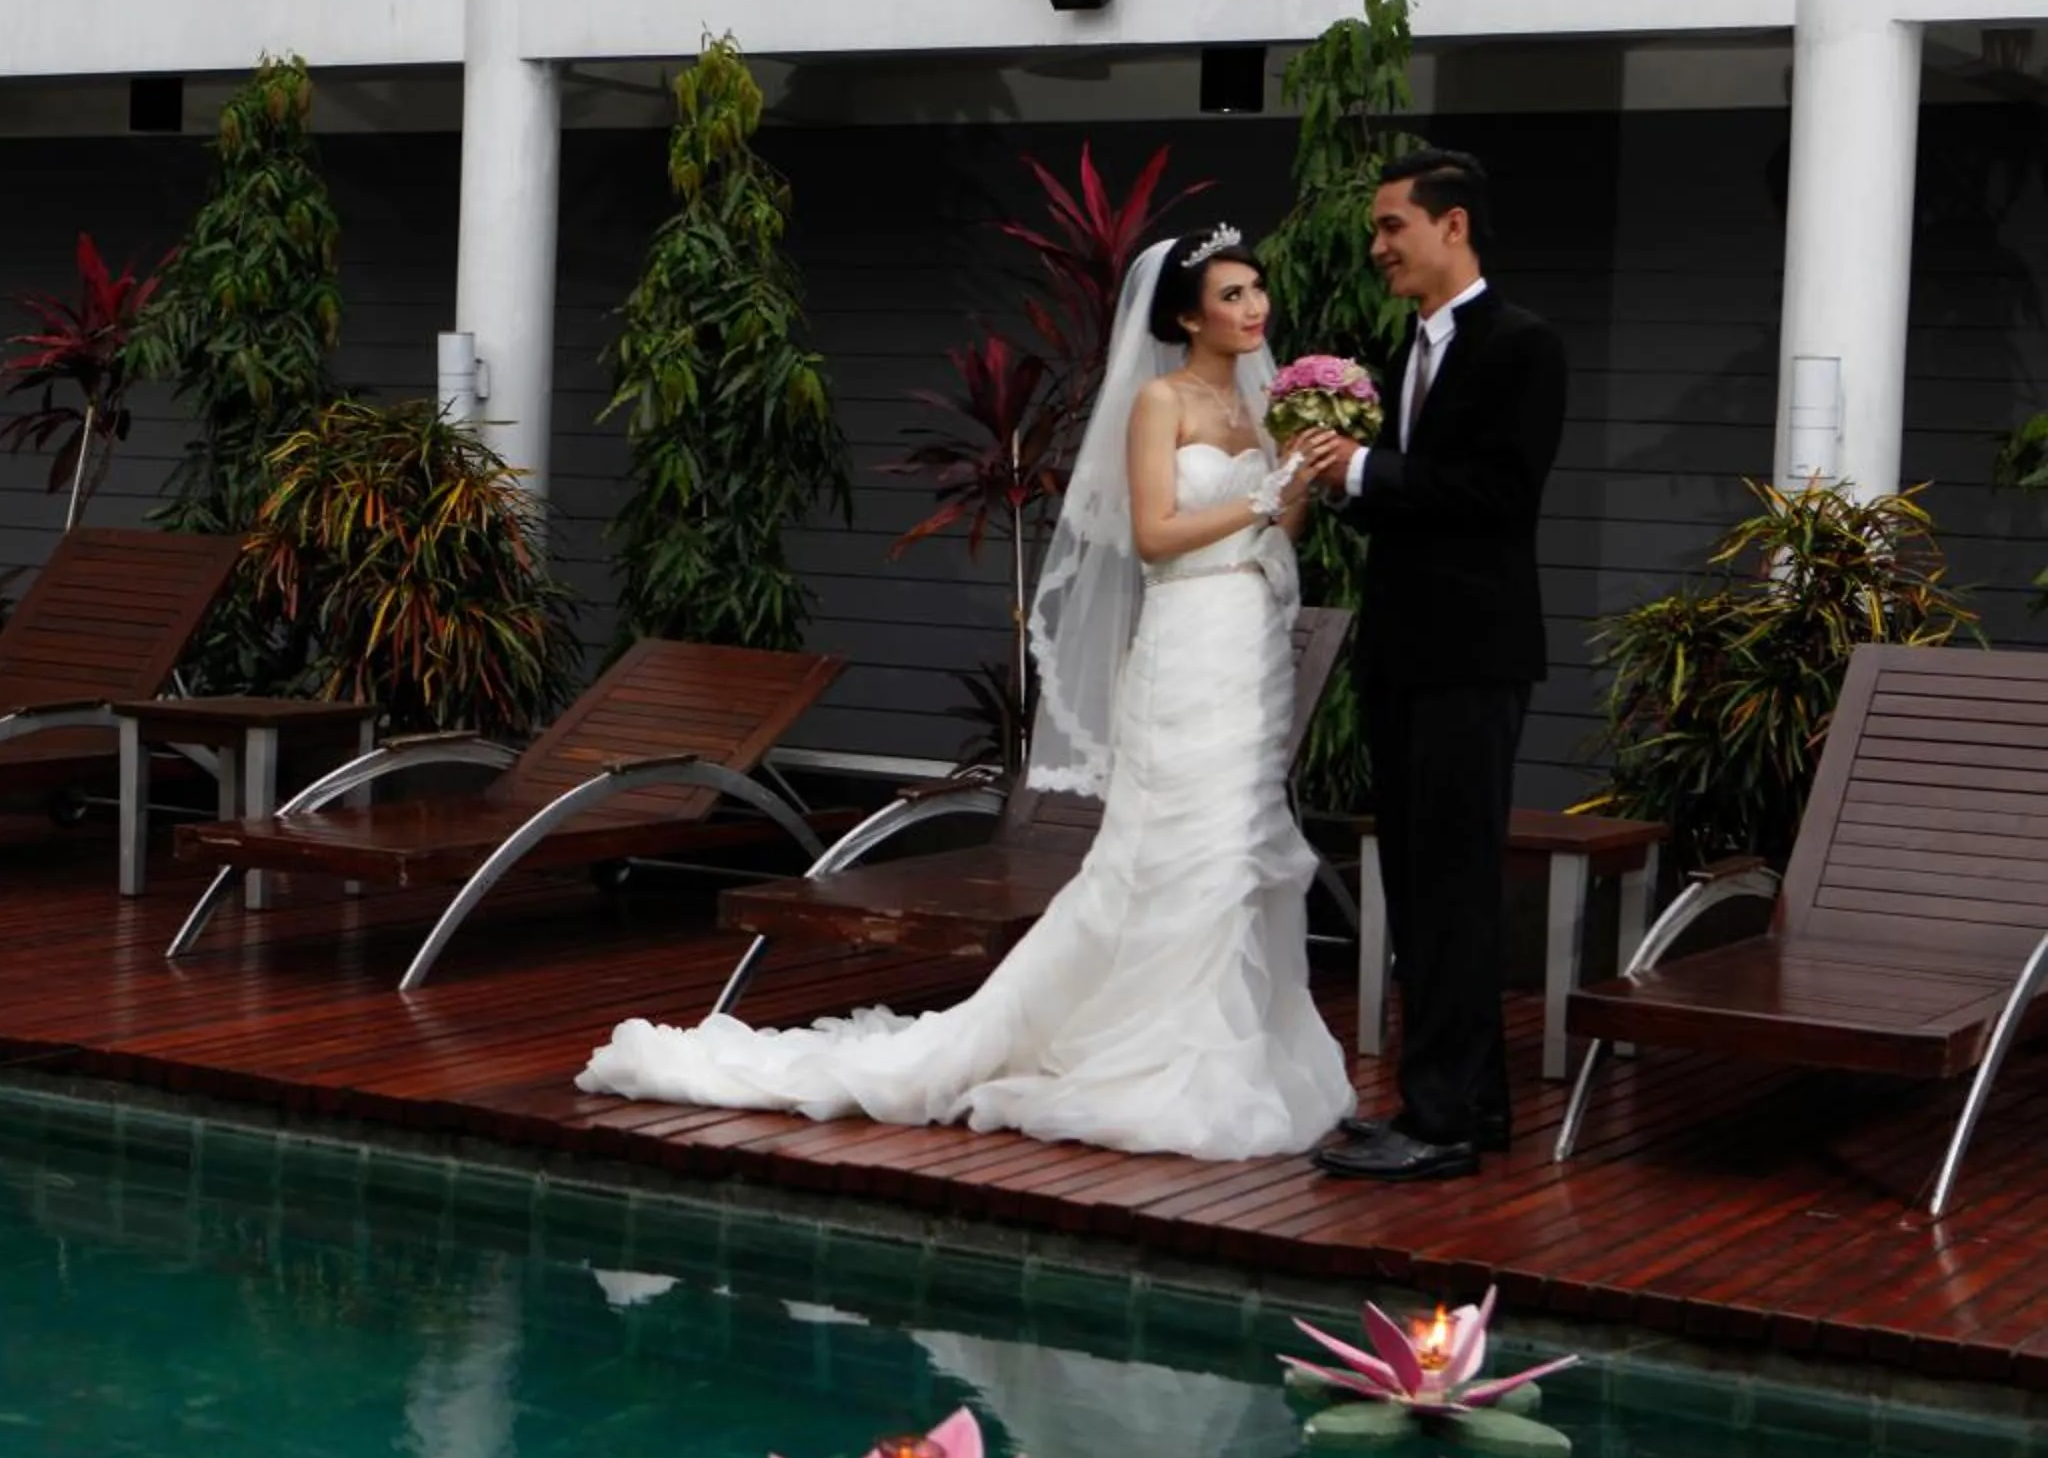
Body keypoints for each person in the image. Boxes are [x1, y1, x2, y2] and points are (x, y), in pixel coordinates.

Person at [574, 225, 1355, 1161]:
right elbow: (1154, 534)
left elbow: (1280, 533)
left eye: (1256, 291)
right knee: (1178, 849)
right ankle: (1152, 1051)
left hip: (1252, 639)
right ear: (1188, 314)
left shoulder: (1264, 403)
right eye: (1231, 295)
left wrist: (1302, 474)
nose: (1253, 307)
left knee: (1239, 848)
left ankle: (1240, 1051)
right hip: (1186, 637)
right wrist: (1266, 496)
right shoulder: (1161, 401)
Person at [1289, 148, 1566, 1183]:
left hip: (1475, 654)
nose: (1376, 247)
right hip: (1403, 649)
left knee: (1453, 885)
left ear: (1454, 226)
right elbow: (1402, 502)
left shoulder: (1526, 347)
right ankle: (1457, 1103)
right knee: (1413, 882)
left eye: (1392, 225)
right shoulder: (1397, 349)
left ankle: (1443, 1120)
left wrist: (1365, 467)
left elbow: (1497, 492)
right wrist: (1340, 480)